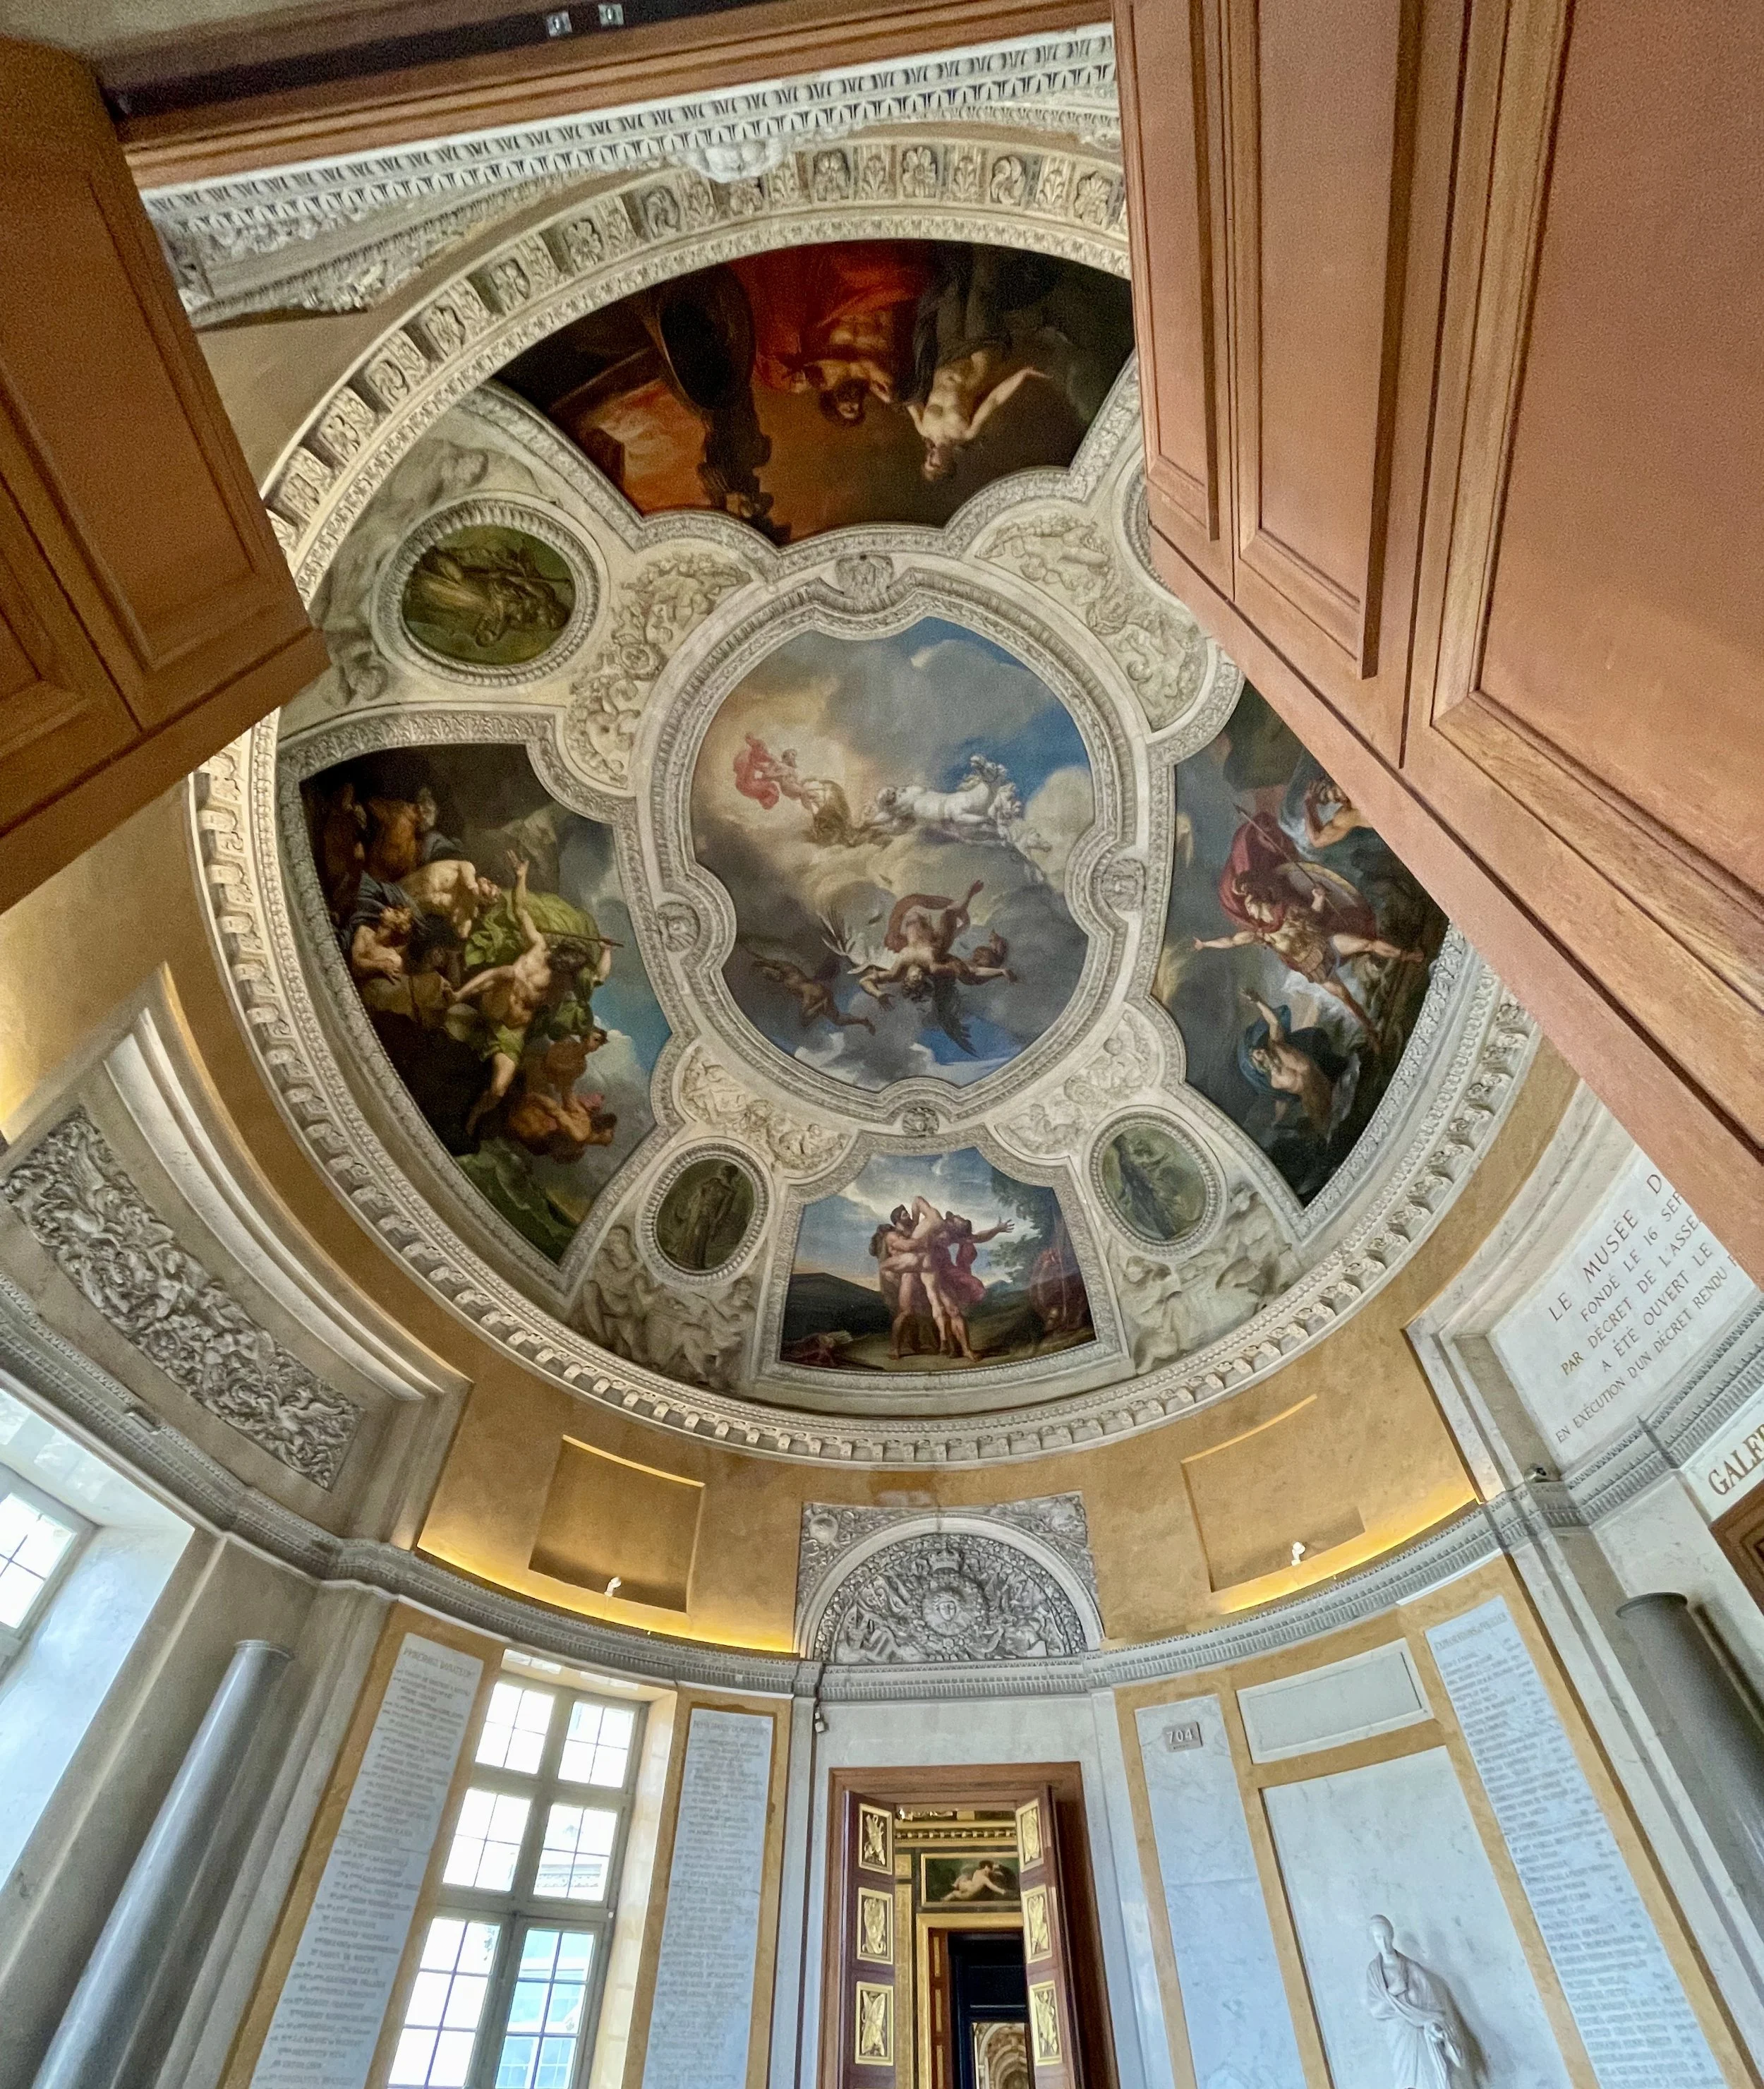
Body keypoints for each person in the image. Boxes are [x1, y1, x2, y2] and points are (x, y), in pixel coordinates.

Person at [1363, 1916, 1478, 2089]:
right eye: (1379, 1938)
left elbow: (1434, 2010)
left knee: (1428, 2080)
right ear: (1373, 1940)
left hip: (1422, 2036)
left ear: (1392, 1935)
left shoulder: (1413, 1969)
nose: (1384, 1942)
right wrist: (1393, 1991)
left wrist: (1434, 2027)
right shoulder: (1375, 1973)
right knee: (1405, 2080)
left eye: (1387, 1936)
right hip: (1398, 2037)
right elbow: (1376, 2011)